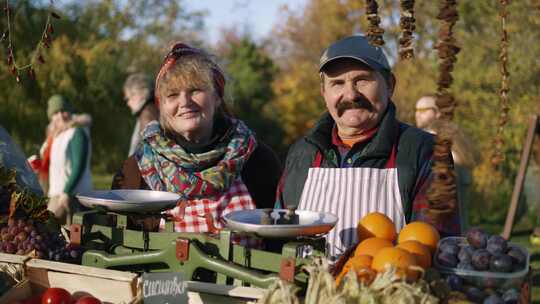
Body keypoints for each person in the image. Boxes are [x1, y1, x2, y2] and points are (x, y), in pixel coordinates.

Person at [276, 35, 460, 258]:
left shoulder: (424, 151)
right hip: (305, 291)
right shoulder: (302, 154)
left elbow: (435, 246)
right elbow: (278, 237)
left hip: (390, 288)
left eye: (362, 80)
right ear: (324, 93)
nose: (351, 94)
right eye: (337, 83)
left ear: (390, 85)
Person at [112, 43, 281, 239]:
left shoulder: (258, 160)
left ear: (217, 97)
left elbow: (278, 240)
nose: (184, 102)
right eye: (173, 94)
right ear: (162, 106)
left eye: (195, 90)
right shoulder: (135, 170)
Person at [415, 95, 477, 232]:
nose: (418, 114)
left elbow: (464, 159)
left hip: (445, 187)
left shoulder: (435, 133)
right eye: (417, 110)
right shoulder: (450, 130)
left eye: (424, 110)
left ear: (437, 112)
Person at [45, 95, 93, 224]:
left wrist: (66, 192)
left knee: (49, 229)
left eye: (63, 111)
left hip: (71, 196)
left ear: (70, 112)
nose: (60, 115)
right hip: (57, 194)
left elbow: (79, 165)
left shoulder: (77, 132)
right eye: (56, 112)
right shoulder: (56, 135)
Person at [123, 73, 159, 156]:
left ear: (139, 93)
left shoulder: (147, 117)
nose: (128, 103)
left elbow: (150, 157)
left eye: (128, 98)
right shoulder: (154, 111)